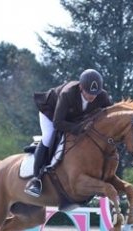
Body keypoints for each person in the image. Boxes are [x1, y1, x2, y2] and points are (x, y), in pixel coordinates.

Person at [24, 69, 113, 197]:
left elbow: (110, 113)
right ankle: (36, 179)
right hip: (51, 112)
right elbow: (58, 123)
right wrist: (81, 128)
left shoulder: (101, 95)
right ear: (81, 87)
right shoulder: (68, 94)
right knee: (49, 136)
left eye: (95, 93)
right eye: (89, 93)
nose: (93, 97)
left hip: (73, 117)